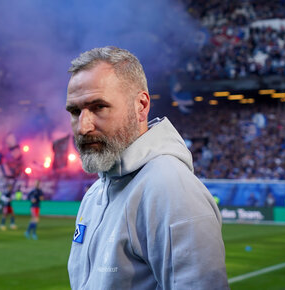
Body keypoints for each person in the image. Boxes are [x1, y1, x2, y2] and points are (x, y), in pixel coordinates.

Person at [65, 47, 227, 289]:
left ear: (141, 106)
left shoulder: (170, 188)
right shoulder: (96, 192)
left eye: (99, 107)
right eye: (75, 111)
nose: (83, 127)